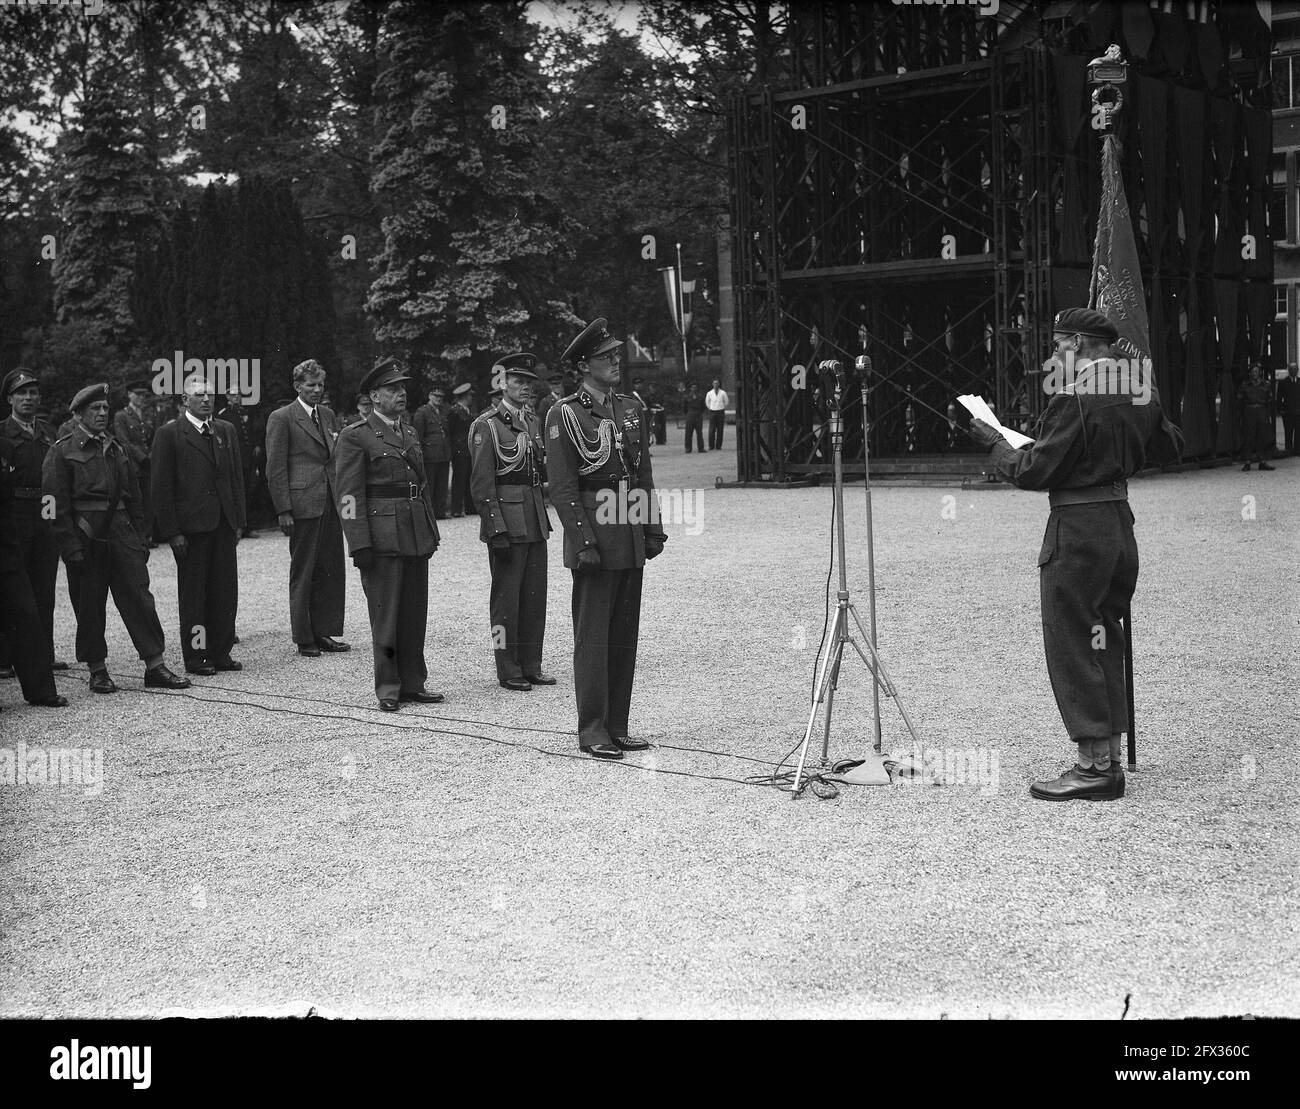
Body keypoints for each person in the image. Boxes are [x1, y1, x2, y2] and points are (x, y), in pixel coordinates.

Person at [967, 307, 1183, 802]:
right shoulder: (1139, 387)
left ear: (1079, 344)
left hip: (1079, 529)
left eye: (1058, 343)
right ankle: (1109, 758)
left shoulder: (1074, 397)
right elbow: (1170, 446)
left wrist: (995, 443)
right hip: (1119, 524)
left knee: (1073, 643)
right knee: (1104, 638)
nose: (1053, 353)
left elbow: (1033, 471)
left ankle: (1093, 769)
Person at [546, 318, 667, 759]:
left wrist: (651, 527)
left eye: (616, 354)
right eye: (605, 357)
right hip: (595, 534)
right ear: (583, 366)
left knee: (623, 635)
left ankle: (618, 725)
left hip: (628, 530)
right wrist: (583, 542)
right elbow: (562, 487)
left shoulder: (629, 407)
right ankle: (593, 729)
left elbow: (642, 474)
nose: (616, 361)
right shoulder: (565, 414)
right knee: (593, 638)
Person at [41, 383, 190, 694]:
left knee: (140, 598)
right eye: (94, 409)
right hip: (86, 535)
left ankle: (155, 664)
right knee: (89, 605)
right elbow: (52, 504)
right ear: (78, 414)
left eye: (105, 408)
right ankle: (97, 670)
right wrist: (69, 546)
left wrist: (141, 536)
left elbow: (135, 496)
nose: (102, 413)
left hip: (122, 532)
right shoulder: (61, 450)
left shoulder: (117, 448)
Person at [334, 358, 443, 712]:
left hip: (413, 533)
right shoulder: (356, 436)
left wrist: (430, 529)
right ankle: (389, 687)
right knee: (386, 615)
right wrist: (359, 543)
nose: (401, 393)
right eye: (392, 388)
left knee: (413, 613)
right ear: (374, 396)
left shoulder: (409, 432)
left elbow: (421, 486)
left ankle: (413, 682)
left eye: (402, 388)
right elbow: (348, 497)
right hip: (382, 538)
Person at [150, 377, 246, 676]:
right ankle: (198, 655)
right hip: (191, 529)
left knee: (224, 591)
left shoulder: (225, 430)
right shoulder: (170, 434)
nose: (206, 399)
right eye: (199, 395)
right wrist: (172, 531)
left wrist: (238, 521)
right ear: (184, 400)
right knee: (194, 596)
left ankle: (221, 652)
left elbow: (235, 478)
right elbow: (161, 486)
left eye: (210, 394)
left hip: (223, 524)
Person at [470, 354, 553, 691]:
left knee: (534, 598)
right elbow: (481, 484)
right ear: (503, 384)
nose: (525, 388)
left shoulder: (532, 421)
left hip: (533, 518)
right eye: (518, 382)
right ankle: (507, 668)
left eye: (529, 383)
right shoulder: (487, 425)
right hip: (507, 521)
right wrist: (495, 528)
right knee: (505, 602)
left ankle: (531, 664)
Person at [264, 359, 349, 658]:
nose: (316, 390)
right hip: (301, 505)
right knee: (304, 570)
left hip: (329, 500)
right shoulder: (282, 417)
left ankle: (324, 630)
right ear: (297, 386)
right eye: (310, 385)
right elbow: (275, 467)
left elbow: (334, 459)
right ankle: (304, 636)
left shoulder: (327, 415)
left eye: (320, 384)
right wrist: (283, 509)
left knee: (330, 568)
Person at [0, 369, 66, 676]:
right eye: (21, 393)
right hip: (13, 514)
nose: (28, 398)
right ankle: (5, 659)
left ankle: (44, 655)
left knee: (44, 587)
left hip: (45, 512)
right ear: (9, 399)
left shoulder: (50, 431)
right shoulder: (2, 433)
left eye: (33, 393)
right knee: (10, 588)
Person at [113, 380, 158, 545]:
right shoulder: (122, 416)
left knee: (149, 500)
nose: (141, 398)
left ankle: (148, 535)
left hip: (149, 464)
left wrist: (152, 455)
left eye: (143, 395)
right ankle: (138, 537)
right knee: (135, 501)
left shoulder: (148, 415)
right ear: (129, 395)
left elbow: (155, 437)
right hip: (134, 464)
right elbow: (123, 441)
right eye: (137, 394)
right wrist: (143, 458)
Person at [217, 389, 260, 537]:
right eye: (233, 395)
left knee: (249, 491)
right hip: (233, 459)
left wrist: (256, 445)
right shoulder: (223, 414)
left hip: (247, 458)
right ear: (227, 396)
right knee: (235, 491)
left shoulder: (245, 412)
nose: (237, 397)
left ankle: (249, 526)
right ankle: (237, 526)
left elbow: (252, 432)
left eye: (239, 394)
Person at [412, 382, 452, 519]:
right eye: (436, 396)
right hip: (429, 456)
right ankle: (429, 513)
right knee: (430, 485)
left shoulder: (443, 412)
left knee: (442, 485)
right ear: (429, 396)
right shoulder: (422, 412)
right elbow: (418, 436)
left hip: (443, 454)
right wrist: (420, 456)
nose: (439, 399)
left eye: (441, 396)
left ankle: (440, 512)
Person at [1237, 363, 1275, 471]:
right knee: (1249, 437)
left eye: (1256, 371)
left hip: (1262, 411)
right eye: (1253, 371)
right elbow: (1239, 400)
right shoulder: (1245, 385)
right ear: (1250, 373)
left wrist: (1266, 413)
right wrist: (1242, 414)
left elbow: (1270, 399)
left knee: (1262, 437)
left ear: (1260, 373)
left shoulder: (1266, 384)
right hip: (1249, 412)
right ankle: (1247, 462)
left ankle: (1262, 461)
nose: (1255, 373)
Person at [447, 383, 476, 516]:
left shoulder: (466, 410)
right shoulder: (454, 412)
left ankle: (470, 507)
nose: (471, 398)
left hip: (468, 450)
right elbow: (451, 433)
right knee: (459, 479)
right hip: (459, 451)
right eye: (470, 395)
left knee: (469, 479)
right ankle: (456, 509)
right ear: (464, 396)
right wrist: (454, 450)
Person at [1278, 363, 1300, 456]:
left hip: (1298, 411)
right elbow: (1279, 397)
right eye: (1291, 369)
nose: (1293, 371)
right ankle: (1289, 450)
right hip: (1287, 411)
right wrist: (1280, 409)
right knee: (1288, 431)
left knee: (1298, 431)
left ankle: (1297, 450)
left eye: (1295, 369)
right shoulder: (1283, 382)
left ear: (1297, 370)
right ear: (1289, 370)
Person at [705, 377, 730, 451]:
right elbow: (707, 402)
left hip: (720, 412)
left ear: (719, 384)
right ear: (712, 384)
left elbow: (726, 401)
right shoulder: (709, 393)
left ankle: (718, 446)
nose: (716, 385)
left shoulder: (723, 393)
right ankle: (711, 445)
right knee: (711, 429)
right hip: (712, 411)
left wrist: (722, 406)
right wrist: (711, 408)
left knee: (720, 429)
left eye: (717, 383)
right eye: (714, 383)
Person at [683, 380, 705, 453]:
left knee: (699, 433)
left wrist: (700, 413)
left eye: (695, 387)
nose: (694, 389)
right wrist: (687, 414)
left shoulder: (700, 396)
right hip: (690, 415)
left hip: (698, 415)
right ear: (690, 388)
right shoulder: (686, 397)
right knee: (688, 433)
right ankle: (688, 448)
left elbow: (703, 407)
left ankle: (701, 448)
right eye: (693, 387)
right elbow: (684, 407)